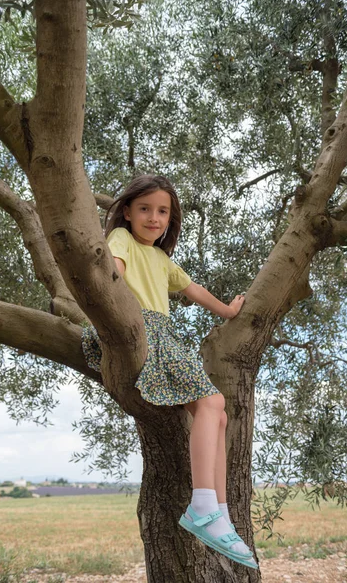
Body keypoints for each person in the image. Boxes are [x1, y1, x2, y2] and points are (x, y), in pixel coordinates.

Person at [81, 174, 258, 570]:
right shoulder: (122, 240)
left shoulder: (162, 259)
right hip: (144, 329)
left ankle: (220, 512)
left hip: (164, 334)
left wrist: (229, 311)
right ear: (126, 212)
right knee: (213, 400)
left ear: (170, 219)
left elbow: (192, 289)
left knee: (219, 414)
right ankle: (203, 505)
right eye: (144, 209)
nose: (153, 218)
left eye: (162, 211)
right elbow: (114, 271)